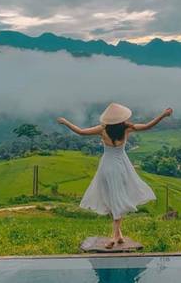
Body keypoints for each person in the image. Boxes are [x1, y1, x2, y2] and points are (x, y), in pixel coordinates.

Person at [57, 103, 173, 248]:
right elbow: (147, 126)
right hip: (121, 167)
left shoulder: (102, 129)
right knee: (116, 200)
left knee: (114, 200)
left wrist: (65, 122)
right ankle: (115, 236)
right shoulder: (127, 128)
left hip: (106, 167)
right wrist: (163, 115)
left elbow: (81, 132)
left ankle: (117, 236)